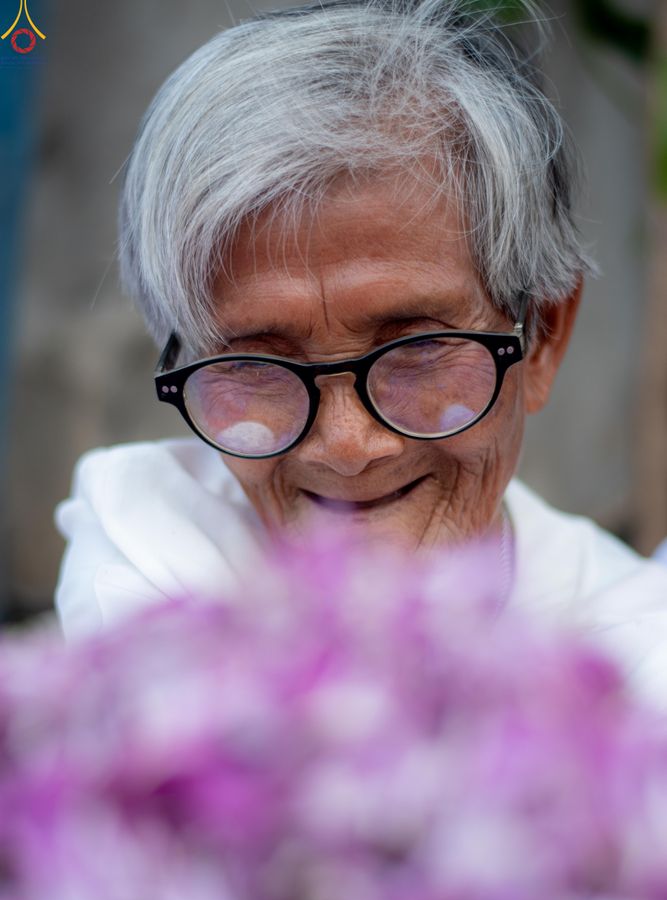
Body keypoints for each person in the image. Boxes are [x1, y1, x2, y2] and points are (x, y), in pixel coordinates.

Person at [55, 0, 667, 702]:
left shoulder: (636, 666)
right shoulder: (155, 529)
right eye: (257, 365)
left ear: (542, 337)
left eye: (417, 349)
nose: (346, 446)